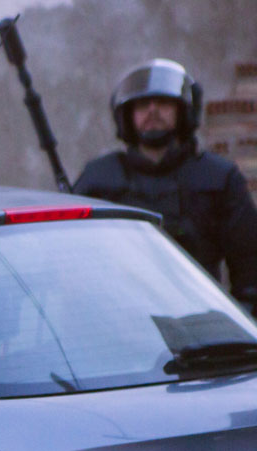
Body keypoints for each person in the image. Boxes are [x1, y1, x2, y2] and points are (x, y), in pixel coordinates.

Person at [75, 58, 257, 309]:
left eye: (162, 102)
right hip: (122, 316)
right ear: (127, 116)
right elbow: (75, 263)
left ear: (183, 111)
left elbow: (249, 268)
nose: (152, 110)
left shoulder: (218, 178)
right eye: (142, 104)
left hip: (201, 318)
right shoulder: (99, 179)